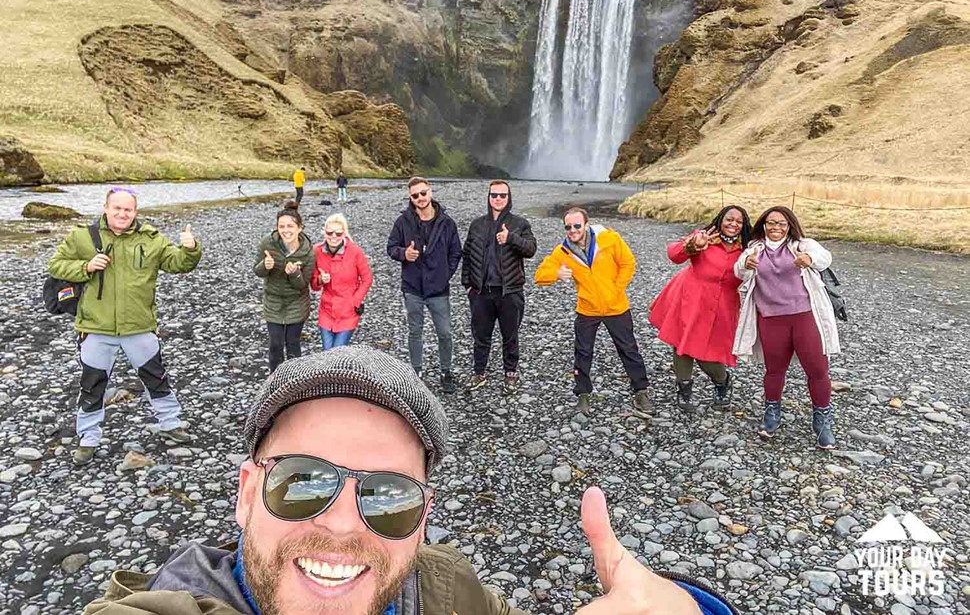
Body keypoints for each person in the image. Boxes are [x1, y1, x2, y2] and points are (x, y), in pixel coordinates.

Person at [81, 347, 736, 615]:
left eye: (386, 496)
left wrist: (693, 605)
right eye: (303, 481)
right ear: (247, 491)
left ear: (423, 516)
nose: (341, 523)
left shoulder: (444, 587)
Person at [48, 186, 202, 466]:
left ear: (135, 212)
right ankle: (88, 438)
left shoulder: (152, 239)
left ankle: (170, 424)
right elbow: (56, 265)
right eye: (117, 208)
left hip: (139, 327)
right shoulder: (82, 236)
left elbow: (178, 263)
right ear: (106, 208)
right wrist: (85, 266)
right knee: (92, 385)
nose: (122, 213)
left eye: (128, 209)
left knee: (156, 378)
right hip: (96, 329)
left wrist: (190, 249)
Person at [733, 206, 841, 449]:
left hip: (804, 317)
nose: (776, 228)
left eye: (781, 224)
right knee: (774, 370)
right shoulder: (754, 250)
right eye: (771, 223)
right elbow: (738, 270)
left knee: (817, 369)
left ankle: (822, 420)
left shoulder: (802, 244)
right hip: (771, 318)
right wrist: (746, 265)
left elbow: (825, 257)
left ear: (789, 226)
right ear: (763, 225)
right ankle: (772, 413)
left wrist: (810, 259)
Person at [534, 208, 652, 416]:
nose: (572, 230)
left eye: (577, 226)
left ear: (586, 225)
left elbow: (628, 263)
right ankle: (583, 395)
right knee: (583, 352)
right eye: (568, 227)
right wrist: (556, 273)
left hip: (616, 306)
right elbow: (539, 275)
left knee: (629, 349)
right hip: (588, 309)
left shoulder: (609, 239)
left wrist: (616, 289)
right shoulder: (563, 251)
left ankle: (641, 391)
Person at [649, 206, 752, 413]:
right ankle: (684, 391)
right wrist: (692, 246)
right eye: (729, 219)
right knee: (682, 345)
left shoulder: (748, 250)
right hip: (690, 298)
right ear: (720, 220)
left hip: (723, 305)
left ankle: (722, 381)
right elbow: (673, 254)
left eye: (738, 222)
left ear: (744, 226)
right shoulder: (703, 237)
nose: (733, 224)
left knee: (708, 354)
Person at [386, 177, 462, 394]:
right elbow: (391, 247)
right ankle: (416, 372)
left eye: (423, 193)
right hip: (413, 288)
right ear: (411, 197)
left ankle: (446, 371)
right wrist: (404, 254)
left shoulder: (447, 223)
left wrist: (445, 274)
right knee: (415, 331)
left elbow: (456, 251)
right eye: (415, 195)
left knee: (445, 333)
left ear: (430, 192)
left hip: (438, 289)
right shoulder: (403, 222)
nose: (420, 198)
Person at [461, 180, 537, 394]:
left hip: (510, 291)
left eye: (502, 195)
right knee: (480, 335)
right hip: (481, 292)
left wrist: (511, 238)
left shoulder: (519, 224)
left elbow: (531, 249)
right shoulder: (477, 224)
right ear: (488, 197)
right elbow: (466, 255)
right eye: (494, 195)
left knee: (510, 335)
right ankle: (479, 373)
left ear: (509, 198)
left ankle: (510, 373)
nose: (498, 199)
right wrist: (468, 285)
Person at [254, 201, 316, 373]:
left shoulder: (309, 251)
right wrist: (265, 266)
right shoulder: (267, 243)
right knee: (275, 344)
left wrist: (295, 273)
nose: (286, 230)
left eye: (290, 226)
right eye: (282, 226)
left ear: (299, 228)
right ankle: (274, 381)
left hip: (297, 302)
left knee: (293, 344)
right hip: (273, 301)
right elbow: (257, 271)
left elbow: (303, 284)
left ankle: (294, 382)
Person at [311, 213, 373, 349]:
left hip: (348, 311)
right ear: (324, 232)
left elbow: (367, 279)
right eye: (329, 232)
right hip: (326, 311)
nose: (333, 236)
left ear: (344, 234)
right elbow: (314, 285)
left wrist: (355, 301)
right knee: (327, 353)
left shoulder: (355, 252)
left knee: (337, 353)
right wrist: (320, 280)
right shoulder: (316, 251)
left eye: (338, 233)